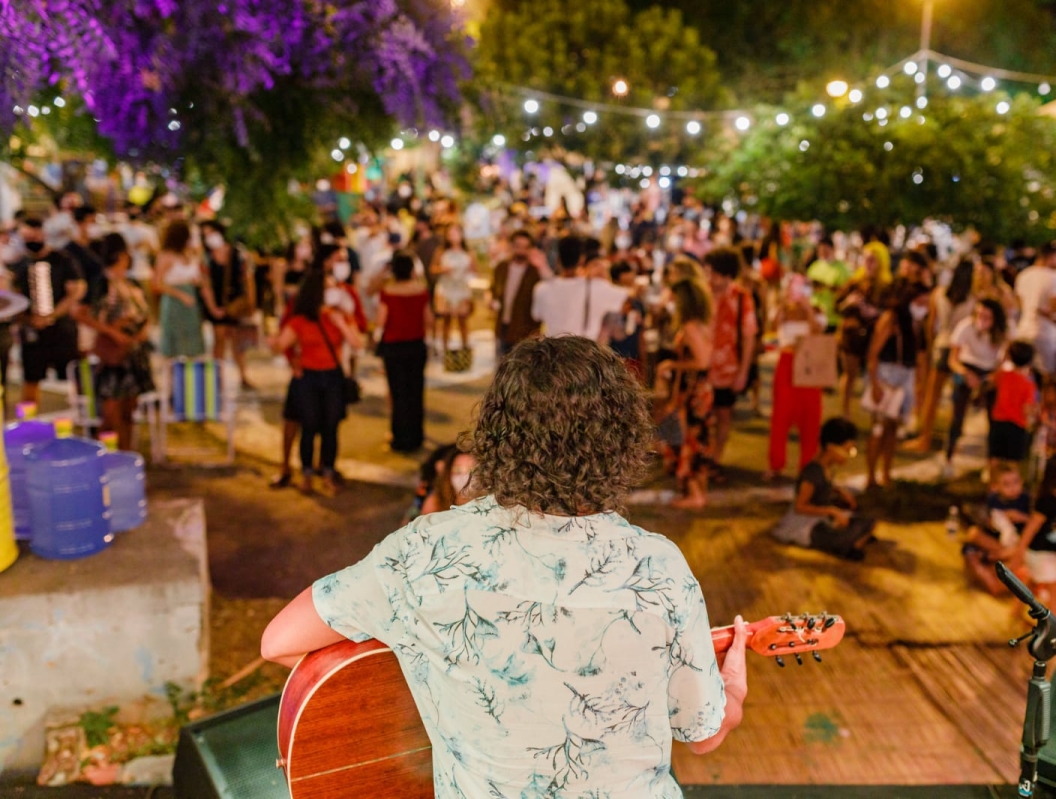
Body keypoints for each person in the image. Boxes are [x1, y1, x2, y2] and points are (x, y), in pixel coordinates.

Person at [261, 336, 747, 797]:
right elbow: (701, 734)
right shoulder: (658, 569)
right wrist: (734, 690)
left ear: (497, 435)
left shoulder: (425, 552)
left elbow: (278, 643)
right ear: (621, 442)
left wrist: (430, 683)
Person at [269, 269, 363, 495]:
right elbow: (281, 344)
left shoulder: (340, 316)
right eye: (329, 288)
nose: (335, 292)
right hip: (308, 378)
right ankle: (307, 474)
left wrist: (340, 323)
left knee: (331, 427)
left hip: (332, 377)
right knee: (308, 426)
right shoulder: (301, 320)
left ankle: (328, 472)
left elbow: (357, 344)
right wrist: (292, 357)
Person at [997, 452, 1056, 618]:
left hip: (1051, 553)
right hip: (1039, 551)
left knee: (1032, 581)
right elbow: (1030, 529)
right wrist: (1019, 555)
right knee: (1055, 588)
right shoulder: (1047, 502)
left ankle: (1015, 613)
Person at [86, 234, 155, 450]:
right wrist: (114, 332)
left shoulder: (130, 282)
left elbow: (144, 312)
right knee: (111, 411)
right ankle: (105, 455)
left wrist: (142, 328)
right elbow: (85, 314)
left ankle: (125, 452)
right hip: (114, 355)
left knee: (128, 410)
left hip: (134, 353)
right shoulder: (101, 284)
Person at [773, 417, 875, 560]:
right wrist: (831, 511)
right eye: (847, 450)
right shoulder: (812, 473)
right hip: (807, 525)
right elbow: (800, 507)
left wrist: (839, 491)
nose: (848, 455)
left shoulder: (825, 467)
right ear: (831, 447)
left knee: (867, 517)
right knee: (853, 529)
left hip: (821, 518)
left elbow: (825, 486)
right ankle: (850, 544)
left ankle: (853, 541)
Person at [11, 217, 86, 406]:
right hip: (33, 333)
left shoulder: (62, 259)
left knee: (71, 374)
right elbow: (14, 296)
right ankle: (28, 423)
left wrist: (52, 315)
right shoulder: (21, 264)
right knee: (31, 378)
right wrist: (28, 319)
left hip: (61, 330)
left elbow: (76, 290)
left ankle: (81, 418)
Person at [654, 279, 715, 509]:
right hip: (700, 391)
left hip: (693, 392)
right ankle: (698, 490)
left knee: (687, 439)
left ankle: (694, 493)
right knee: (696, 439)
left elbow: (702, 361)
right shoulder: (700, 324)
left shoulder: (689, 327)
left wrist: (672, 365)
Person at [864, 283, 928, 489]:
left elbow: (919, 357)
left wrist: (918, 387)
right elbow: (873, 354)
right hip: (886, 376)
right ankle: (871, 476)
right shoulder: (891, 319)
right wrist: (874, 384)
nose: (923, 306)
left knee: (892, 429)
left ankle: (886, 473)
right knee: (877, 428)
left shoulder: (916, 324)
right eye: (920, 301)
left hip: (904, 378)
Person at [909, 258, 976, 454]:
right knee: (957, 400)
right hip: (960, 352)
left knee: (932, 396)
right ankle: (952, 443)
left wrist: (931, 346)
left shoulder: (939, 293)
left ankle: (925, 438)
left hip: (941, 344)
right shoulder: (972, 300)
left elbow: (931, 324)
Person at [764, 264, 824, 481]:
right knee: (781, 415)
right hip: (787, 363)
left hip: (808, 367)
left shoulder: (816, 312)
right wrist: (782, 306)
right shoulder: (782, 311)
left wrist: (807, 308)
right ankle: (776, 463)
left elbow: (818, 332)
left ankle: (807, 466)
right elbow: (771, 334)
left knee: (810, 417)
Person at [704, 247, 758, 467]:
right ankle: (701, 455)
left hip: (728, 369)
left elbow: (749, 337)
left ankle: (716, 457)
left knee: (724, 415)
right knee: (701, 416)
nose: (710, 278)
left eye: (714, 273)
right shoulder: (703, 293)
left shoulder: (742, 297)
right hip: (701, 366)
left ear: (727, 274)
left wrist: (743, 372)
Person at [376, 251, 432, 453]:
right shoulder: (421, 291)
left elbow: (382, 320)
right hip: (416, 346)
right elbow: (428, 319)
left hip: (394, 347)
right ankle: (416, 436)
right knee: (416, 391)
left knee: (397, 392)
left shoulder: (388, 292)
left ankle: (399, 437)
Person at [943, 298, 1007, 473]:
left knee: (993, 420)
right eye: (979, 315)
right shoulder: (965, 326)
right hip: (967, 368)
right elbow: (953, 359)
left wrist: (992, 378)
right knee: (957, 416)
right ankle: (949, 458)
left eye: (987, 317)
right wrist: (965, 373)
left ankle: (991, 464)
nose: (981, 320)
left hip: (990, 372)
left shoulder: (1002, 333)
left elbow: (1005, 362)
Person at [532, 236, 628, 340]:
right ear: (581, 259)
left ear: (558, 259)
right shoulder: (597, 287)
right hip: (584, 351)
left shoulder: (542, 289)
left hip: (553, 352)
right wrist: (604, 275)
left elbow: (537, 315)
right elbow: (629, 297)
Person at [836, 241, 891, 417]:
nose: (868, 263)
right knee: (849, 374)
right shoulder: (855, 282)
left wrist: (874, 312)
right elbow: (837, 306)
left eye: (872, 260)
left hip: (873, 338)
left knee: (873, 377)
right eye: (866, 259)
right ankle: (845, 411)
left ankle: (874, 413)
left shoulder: (886, 287)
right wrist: (848, 302)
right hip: (852, 336)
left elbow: (890, 312)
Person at [202, 221, 255, 389]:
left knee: (237, 342)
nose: (208, 237)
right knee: (219, 341)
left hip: (235, 304)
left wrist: (251, 303)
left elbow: (248, 279)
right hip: (217, 304)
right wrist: (213, 308)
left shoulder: (238, 253)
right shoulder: (206, 257)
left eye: (211, 233)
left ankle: (243, 376)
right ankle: (216, 378)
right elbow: (206, 285)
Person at [152, 220, 208, 359]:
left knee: (191, 343)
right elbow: (157, 284)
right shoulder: (165, 256)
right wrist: (180, 295)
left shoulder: (190, 253)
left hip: (191, 300)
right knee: (174, 344)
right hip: (174, 302)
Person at [1013, 243, 1056, 376]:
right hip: (1046, 334)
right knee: (1047, 376)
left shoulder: (1023, 275)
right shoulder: (1055, 277)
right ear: (1052, 256)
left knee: (1023, 374)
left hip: (1023, 331)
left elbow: (1019, 305)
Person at [987, 341, 1038, 472]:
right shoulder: (1028, 384)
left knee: (994, 458)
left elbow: (992, 380)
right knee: (1013, 462)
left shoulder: (1003, 375)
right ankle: (1010, 488)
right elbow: (1027, 408)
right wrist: (1031, 420)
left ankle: (993, 487)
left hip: (998, 422)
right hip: (1017, 425)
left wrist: (1004, 358)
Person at [490, 230, 543, 357]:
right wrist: (491, 300)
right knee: (502, 363)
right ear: (511, 246)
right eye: (518, 246)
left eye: (525, 247)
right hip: (502, 325)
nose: (521, 251)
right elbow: (493, 289)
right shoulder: (501, 267)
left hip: (525, 329)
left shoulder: (535, 272)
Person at [430, 223, 477, 353]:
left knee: (463, 320)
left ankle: (465, 347)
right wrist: (443, 269)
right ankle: (445, 348)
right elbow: (433, 268)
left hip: (461, 288)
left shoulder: (468, 252)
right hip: (447, 288)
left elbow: (474, 270)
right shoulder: (442, 251)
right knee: (446, 320)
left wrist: (468, 273)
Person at [420, 449, 479, 515]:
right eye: (458, 470)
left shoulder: (486, 505)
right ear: (448, 473)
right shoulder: (435, 502)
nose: (464, 476)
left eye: (471, 471)